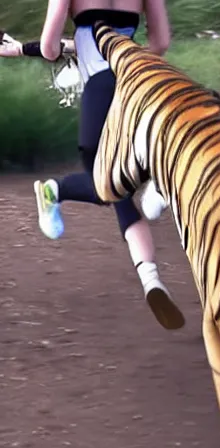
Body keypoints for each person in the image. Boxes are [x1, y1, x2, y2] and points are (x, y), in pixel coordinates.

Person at [0, 0, 185, 330]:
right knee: (121, 188)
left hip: (100, 100)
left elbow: (51, 49)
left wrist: (22, 50)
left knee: (116, 193)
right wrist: (125, 56)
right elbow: (160, 44)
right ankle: (157, 188)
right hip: (137, 87)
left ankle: (151, 279)